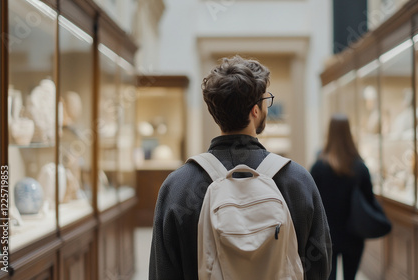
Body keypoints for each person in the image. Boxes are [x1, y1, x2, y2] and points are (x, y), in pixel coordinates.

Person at [149, 55, 332, 279]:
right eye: (267, 100)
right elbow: (320, 264)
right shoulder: (297, 181)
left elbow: (163, 272)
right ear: (255, 111)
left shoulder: (178, 187)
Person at [310, 113, 375, 280]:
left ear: (329, 133)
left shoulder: (318, 167)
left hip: (326, 235)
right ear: (349, 134)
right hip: (354, 233)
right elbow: (369, 200)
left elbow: (311, 203)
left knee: (329, 276)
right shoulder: (360, 168)